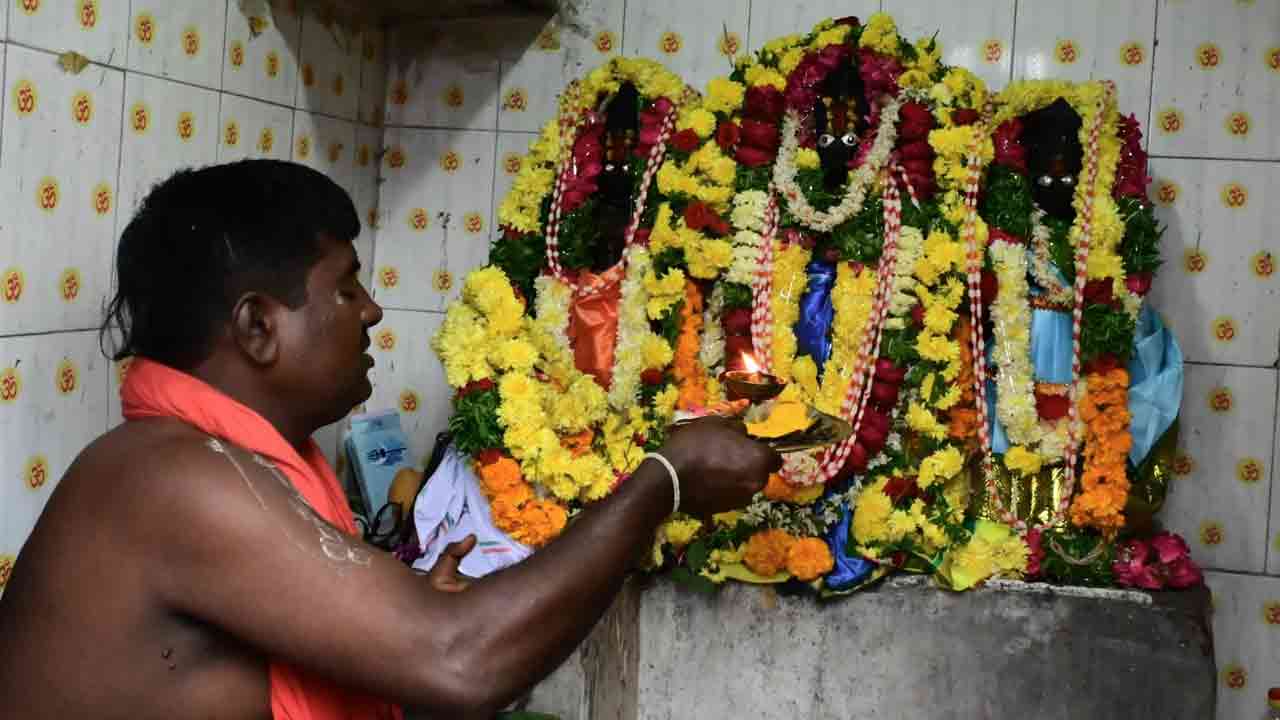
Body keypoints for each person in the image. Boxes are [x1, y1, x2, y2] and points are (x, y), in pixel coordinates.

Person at [0, 160, 781, 719]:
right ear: (257, 328)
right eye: (345, 287)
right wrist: (662, 484)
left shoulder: (238, 465)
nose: (371, 312)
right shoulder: (168, 478)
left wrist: (401, 630)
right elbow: (457, 659)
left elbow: (438, 654)